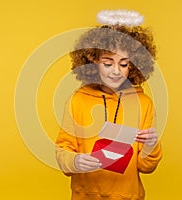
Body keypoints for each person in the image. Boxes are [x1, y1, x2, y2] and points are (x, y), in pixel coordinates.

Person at [55, 10, 162, 200]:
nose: (116, 71)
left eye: (123, 64)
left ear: (134, 66)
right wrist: (75, 161)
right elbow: (63, 151)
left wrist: (151, 145)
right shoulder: (78, 100)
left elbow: (147, 167)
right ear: (93, 61)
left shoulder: (143, 104)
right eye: (107, 63)